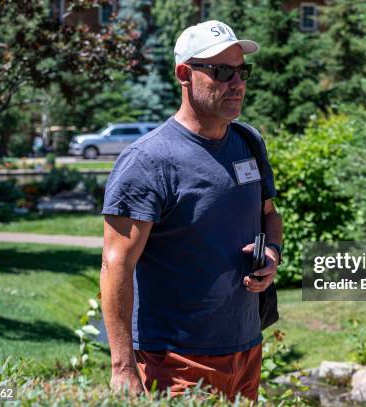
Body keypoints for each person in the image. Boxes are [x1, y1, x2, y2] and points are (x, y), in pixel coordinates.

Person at [99, 20, 283, 401]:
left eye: (241, 71)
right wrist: (123, 367)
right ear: (185, 74)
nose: (237, 83)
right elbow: (116, 265)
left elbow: (270, 214)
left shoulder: (248, 141)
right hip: (175, 359)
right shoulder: (148, 160)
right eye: (221, 71)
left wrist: (272, 253)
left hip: (246, 349)